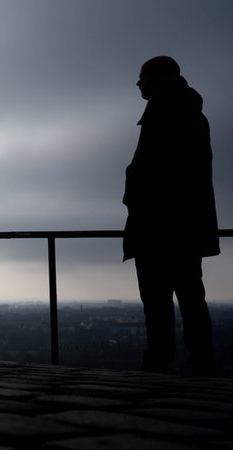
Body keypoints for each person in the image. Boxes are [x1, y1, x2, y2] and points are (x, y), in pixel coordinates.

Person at [123, 56, 219, 375]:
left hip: (159, 228)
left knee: (158, 304)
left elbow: (155, 174)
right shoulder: (189, 112)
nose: (138, 83)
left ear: (159, 78)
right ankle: (201, 364)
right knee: (191, 300)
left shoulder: (163, 113)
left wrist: (135, 192)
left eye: (143, 77)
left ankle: (159, 364)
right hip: (184, 227)